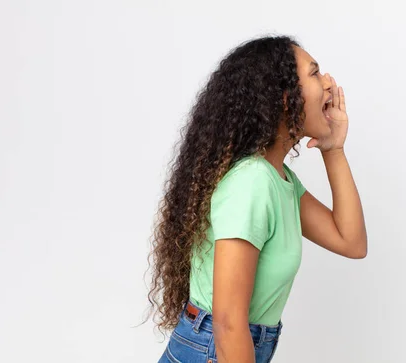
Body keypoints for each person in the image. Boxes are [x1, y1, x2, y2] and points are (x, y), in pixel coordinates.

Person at [146, 35, 368, 363]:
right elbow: (228, 322)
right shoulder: (252, 182)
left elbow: (351, 242)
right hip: (215, 350)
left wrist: (334, 149)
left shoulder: (280, 181)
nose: (329, 84)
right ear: (283, 98)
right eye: (315, 73)